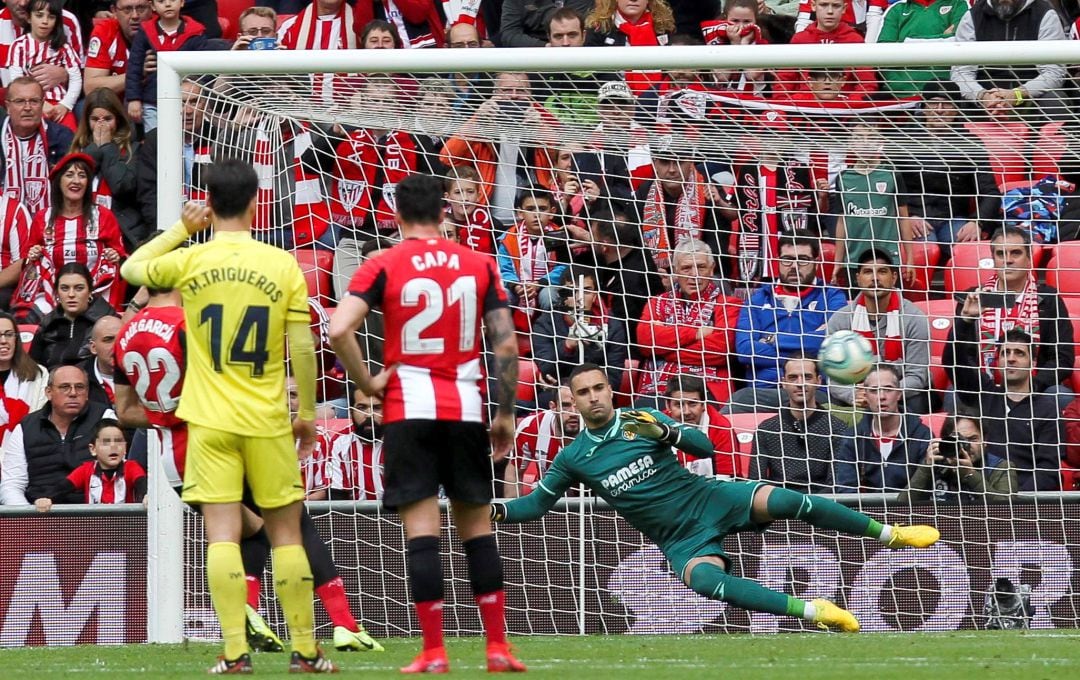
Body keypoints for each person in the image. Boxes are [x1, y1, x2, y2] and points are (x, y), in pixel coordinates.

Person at [491, 363, 940, 632]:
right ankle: (814, 610)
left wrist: (666, 429)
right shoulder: (575, 457)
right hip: (678, 536)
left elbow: (706, 448)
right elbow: (533, 506)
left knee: (790, 501)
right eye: (582, 393)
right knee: (704, 583)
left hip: (707, 497)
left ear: (611, 390)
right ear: (572, 400)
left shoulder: (641, 418)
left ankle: (891, 533)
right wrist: (489, 509)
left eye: (598, 389)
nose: (592, 398)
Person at [120, 160, 335, 673]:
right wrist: (305, 412)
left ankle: (235, 652)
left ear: (209, 203)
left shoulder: (192, 260)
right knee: (286, 534)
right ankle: (305, 650)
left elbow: (131, 270)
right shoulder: (282, 263)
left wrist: (182, 229)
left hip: (208, 421)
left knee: (221, 535)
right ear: (258, 200)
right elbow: (302, 346)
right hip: (265, 418)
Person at [113, 284, 385, 656]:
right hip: (223, 443)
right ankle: (342, 627)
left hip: (174, 460)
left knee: (252, 531)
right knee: (293, 521)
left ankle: (250, 617)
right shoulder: (189, 324)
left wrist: (169, 416)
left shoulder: (125, 333)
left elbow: (126, 412)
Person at [328, 173, 525, 673]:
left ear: (395, 216)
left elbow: (337, 328)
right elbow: (505, 344)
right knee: (477, 528)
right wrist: (503, 414)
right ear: (444, 213)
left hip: (407, 409)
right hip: (463, 406)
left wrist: (367, 381)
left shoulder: (383, 262)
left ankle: (434, 651)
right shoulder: (478, 263)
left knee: (422, 532)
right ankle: (497, 647)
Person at [943, 226, 1074, 402]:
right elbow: (956, 358)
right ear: (993, 259)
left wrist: (1031, 386)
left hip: (1035, 389)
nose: (1007, 260)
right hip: (983, 390)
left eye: (1015, 253)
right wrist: (965, 320)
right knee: (953, 396)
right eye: (1000, 254)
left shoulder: (1048, 300)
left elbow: (1062, 358)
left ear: (1029, 260)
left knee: (1060, 396)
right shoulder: (974, 298)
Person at [952, 297, 1063, 492]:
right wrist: (966, 320)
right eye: (1005, 353)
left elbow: (1048, 471)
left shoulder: (1047, 408)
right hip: (979, 495)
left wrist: (1015, 501)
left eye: (1019, 353)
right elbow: (953, 362)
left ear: (1033, 363)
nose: (1011, 358)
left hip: (1027, 502)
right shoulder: (984, 394)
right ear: (997, 361)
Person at [728, 233, 847, 414]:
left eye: (803, 260)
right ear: (777, 261)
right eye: (787, 260)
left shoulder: (832, 296)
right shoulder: (757, 300)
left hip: (814, 392)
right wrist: (809, 350)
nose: (794, 266)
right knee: (738, 402)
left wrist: (772, 339)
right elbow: (745, 351)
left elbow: (833, 343)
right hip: (764, 391)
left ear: (816, 261)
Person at [15, 152, 127, 318]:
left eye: (82, 176)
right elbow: (29, 259)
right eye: (69, 175)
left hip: (96, 295)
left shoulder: (103, 216)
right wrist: (32, 254)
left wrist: (115, 256)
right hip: (50, 296)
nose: (76, 181)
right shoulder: (42, 218)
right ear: (59, 181)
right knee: (29, 319)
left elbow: (122, 257)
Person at [637, 239, 743, 405]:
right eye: (686, 268)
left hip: (708, 391)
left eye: (701, 267)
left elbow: (721, 351)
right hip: (657, 389)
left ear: (712, 268)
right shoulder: (657, 302)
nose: (694, 275)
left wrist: (663, 348)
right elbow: (645, 341)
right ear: (675, 270)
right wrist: (696, 333)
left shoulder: (729, 304)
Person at [825, 249, 931, 412]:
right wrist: (852, 395)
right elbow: (835, 378)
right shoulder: (840, 320)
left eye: (882, 271)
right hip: (859, 394)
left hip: (901, 393)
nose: (875, 278)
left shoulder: (914, 318)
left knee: (917, 401)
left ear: (894, 278)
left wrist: (884, 394)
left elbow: (917, 376)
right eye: (868, 272)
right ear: (858, 279)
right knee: (832, 402)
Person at [0, 364, 116, 505]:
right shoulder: (26, 427)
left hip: (96, 515)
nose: (73, 393)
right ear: (49, 392)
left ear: (87, 393)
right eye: (64, 387)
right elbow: (12, 484)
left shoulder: (104, 418)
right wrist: (29, 520)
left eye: (80, 387)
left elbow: (120, 472)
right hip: (39, 514)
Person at [749, 353, 849, 494]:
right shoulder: (766, 430)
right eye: (793, 377)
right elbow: (755, 483)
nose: (800, 383)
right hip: (779, 508)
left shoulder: (838, 429)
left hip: (823, 509)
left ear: (818, 381)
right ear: (783, 382)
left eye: (807, 377)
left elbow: (836, 484)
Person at [831, 123, 916, 284]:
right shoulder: (843, 178)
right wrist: (838, 261)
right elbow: (842, 221)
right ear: (850, 143)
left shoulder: (891, 175)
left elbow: (903, 218)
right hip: (855, 260)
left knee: (892, 307)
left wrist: (909, 259)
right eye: (859, 138)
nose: (865, 143)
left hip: (889, 258)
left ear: (880, 142)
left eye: (871, 138)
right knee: (857, 308)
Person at [951, 0, 1067, 116]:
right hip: (983, 101)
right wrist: (983, 97)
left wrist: (1016, 95)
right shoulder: (973, 16)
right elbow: (961, 72)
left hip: (1030, 99)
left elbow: (1053, 72)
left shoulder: (1044, 14)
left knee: (1055, 100)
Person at [833, 365, 932, 494]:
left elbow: (927, 490)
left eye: (888, 389)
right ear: (866, 396)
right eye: (874, 390)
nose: (882, 396)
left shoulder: (922, 435)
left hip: (913, 510)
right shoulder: (853, 437)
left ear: (899, 394)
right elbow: (846, 489)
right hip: (864, 512)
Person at [70, 87, 146, 251]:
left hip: (123, 233)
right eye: (95, 119)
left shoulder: (133, 150)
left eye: (107, 119)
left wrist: (106, 147)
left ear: (118, 119)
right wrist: (94, 152)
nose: (101, 125)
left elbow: (122, 185)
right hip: (84, 235)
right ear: (87, 121)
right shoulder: (77, 150)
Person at [532, 268, 628, 389]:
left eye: (586, 291)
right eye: (572, 291)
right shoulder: (546, 322)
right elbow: (546, 370)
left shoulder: (612, 325)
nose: (579, 298)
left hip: (595, 393)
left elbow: (614, 377)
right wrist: (567, 346)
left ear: (595, 296)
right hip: (558, 393)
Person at [125, 0, 208, 132]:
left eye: (173, 0)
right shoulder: (145, 32)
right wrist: (134, 99)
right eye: (161, 1)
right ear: (152, 6)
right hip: (153, 101)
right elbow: (134, 67)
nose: (168, 4)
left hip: (185, 104)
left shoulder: (196, 33)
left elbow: (203, 71)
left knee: (184, 139)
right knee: (155, 141)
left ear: (182, 2)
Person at [897, 413, 1018, 503]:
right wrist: (926, 469)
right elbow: (902, 507)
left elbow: (1006, 509)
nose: (966, 446)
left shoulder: (1001, 466)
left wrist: (970, 475)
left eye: (972, 439)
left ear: (985, 441)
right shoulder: (935, 466)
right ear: (946, 441)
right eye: (958, 440)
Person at [33, 418, 146, 510]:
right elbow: (61, 488)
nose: (113, 446)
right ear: (93, 449)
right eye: (106, 442)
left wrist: (147, 496)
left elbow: (142, 484)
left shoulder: (131, 467)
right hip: (95, 532)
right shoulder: (86, 470)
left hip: (128, 530)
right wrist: (46, 499)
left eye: (118, 441)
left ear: (126, 447)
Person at [0, 76, 74, 216]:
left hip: (49, 220)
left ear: (42, 104)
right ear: (8, 107)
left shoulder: (62, 137)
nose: (27, 108)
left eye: (34, 101)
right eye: (19, 101)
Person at [5, 0, 81, 130]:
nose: (45, 21)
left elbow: (76, 79)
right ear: (29, 18)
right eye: (39, 15)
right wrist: (41, 104)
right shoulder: (19, 46)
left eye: (51, 17)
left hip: (59, 106)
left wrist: (65, 105)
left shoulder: (64, 47)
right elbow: (16, 80)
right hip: (30, 105)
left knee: (70, 137)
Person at [27, 263, 116, 368]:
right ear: (57, 293)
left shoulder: (109, 321)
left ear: (90, 291)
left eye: (79, 288)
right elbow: (32, 368)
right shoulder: (48, 324)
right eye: (65, 288)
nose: (71, 294)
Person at [876, 0, 971, 95]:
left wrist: (905, 42)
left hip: (943, 94)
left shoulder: (959, 4)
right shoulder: (897, 9)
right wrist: (942, 37)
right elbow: (883, 53)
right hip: (900, 93)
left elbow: (959, 43)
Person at [504, 384, 580, 498]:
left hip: (595, 501)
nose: (573, 413)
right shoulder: (532, 427)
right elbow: (513, 472)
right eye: (565, 406)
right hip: (549, 500)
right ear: (553, 407)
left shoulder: (602, 430)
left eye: (578, 405)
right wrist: (512, 512)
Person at [585, 0, 675, 95]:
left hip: (655, 100)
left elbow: (668, 73)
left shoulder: (662, 27)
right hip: (610, 99)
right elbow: (591, 73)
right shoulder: (599, 27)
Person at [663, 374, 738, 477]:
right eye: (679, 404)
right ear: (668, 405)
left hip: (709, 489)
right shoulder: (657, 426)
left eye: (693, 403)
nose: (686, 412)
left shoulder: (720, 427)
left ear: (703, 404)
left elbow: (725, 478)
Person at [83, 0, 154, 97]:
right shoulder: (105, 30)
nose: (135, 16)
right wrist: (137, 74)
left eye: (141, 8)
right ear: (114, 11)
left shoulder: (165, 27)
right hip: (115, 105)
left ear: (152, 7)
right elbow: (90, 88)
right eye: (127, 9)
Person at [328, 387, 385, 500]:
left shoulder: (402, 441)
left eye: (377, 408)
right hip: (354, 516)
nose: (369, 414)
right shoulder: (340, 442)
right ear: (350, 412)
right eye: (362, 408)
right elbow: (337, 497)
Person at [0, 309, 47, 443]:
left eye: (9, 334)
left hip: (28, 448)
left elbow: (40, 418)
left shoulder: (38, 374)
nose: (3, 340)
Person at [499, 0, 595, 47]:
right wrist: (545, 46)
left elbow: (570, 24)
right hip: (530, 56)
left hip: (577, 52)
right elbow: (509, 35)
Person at [81, 314, 121, 409]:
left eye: (120, 338)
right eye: (108, 340)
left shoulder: (143, 374)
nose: (116, 346)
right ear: (93, 348)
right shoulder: (78, 378)